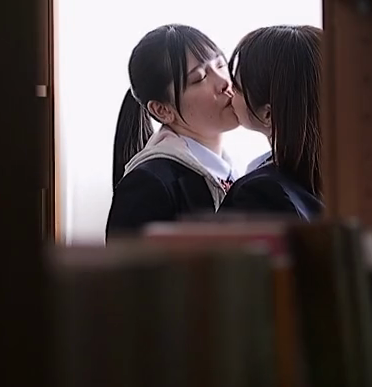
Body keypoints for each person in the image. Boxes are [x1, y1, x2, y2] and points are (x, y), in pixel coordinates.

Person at [105, 24, 241, 236]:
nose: (224, 82)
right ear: (162, 110)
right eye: (200, 78)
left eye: (221, 65)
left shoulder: (229, 171)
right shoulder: (149, 186)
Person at [222, 24, 324, 220]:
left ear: (268, 114)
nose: (228, 92)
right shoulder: (346, 179)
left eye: (237, 88)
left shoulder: (260, 194)